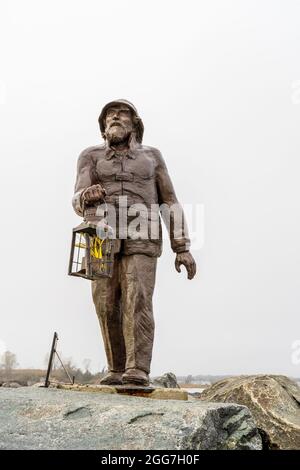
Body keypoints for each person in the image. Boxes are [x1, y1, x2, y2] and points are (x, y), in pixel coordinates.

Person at [72, 99, 196, 386]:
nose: (114, 119)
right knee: (105, 303)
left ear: (135, 123)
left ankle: (137, 368)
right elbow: (77, 197)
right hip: (100, 237)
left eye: (121, 114)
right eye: (109, 117)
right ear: (103, 128)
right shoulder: (89, 156)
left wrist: (183, 247)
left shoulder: (152, 157)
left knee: (137, 298)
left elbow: (169, 200)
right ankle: (116, 368)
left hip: (143, 232)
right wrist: (84, 197)